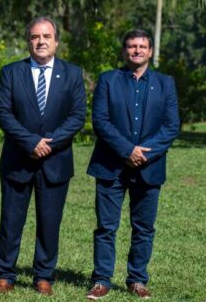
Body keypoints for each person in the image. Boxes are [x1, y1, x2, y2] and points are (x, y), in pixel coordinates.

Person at [0, 16, 86, 296]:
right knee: (10, 221)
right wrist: (31, 142)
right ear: (28, 41)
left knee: (49, 221)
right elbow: (4, 114)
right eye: (35, 37)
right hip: (18, 160)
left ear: (56, 41)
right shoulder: (11, 72)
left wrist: (50, 143)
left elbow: (77, 115)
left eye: (46, 36)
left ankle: (43, 276)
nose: (41, 41)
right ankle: (5, 274)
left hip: (55, 162)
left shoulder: (72, 74)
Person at [85, 29, 179, 300]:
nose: (136, 50)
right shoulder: (108, 80)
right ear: (124, 51)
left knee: (144, 227)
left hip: (149, 168)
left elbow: (171, 126)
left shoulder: (165, 84)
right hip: (111, 165)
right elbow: (100, 121)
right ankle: (102, 280)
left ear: (150, 51)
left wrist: (144, 154)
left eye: (142, 46)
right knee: (106, 227)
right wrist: (127, 150)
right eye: (131, 46)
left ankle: (137, 279)